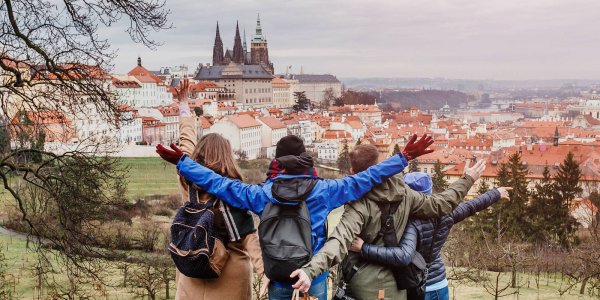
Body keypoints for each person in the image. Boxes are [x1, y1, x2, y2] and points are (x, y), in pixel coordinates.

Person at [156, 134, 434, 300]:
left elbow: (219, 184)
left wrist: (184, 163)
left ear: (277, 162)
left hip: (279, 274)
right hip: (313, 273)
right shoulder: (325, 191)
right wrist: (403, 157)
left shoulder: (261, 194)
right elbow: (366, 177)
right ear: (305, 160)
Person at [291, 145, 487, 300]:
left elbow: (338, 241)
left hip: (362, 288)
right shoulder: (405, 194)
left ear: (353, 171)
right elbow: (441, 204)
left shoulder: (359, 204)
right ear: (381, 166)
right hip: (396, 288)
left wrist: (310, 270)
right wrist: (467, 179)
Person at [161, 79, 264, 300]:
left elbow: (186, 141)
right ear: (227, 156)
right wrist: (267, 273)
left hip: (193, 265)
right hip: (231, 276)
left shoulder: (187, 179)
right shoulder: (233, 190)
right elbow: (248, 236)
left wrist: (184, 105)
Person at [349, 172, 511, 300]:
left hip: (420, 286)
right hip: (440, 282)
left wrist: (363, 248)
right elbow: (471, 206)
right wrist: (496, 193)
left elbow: (404, 255)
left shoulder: (410, 222)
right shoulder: (446, 213)